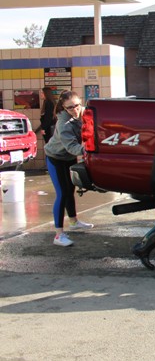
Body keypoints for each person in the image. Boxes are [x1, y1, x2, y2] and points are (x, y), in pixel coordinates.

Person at [44, 90, 94, 247]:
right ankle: (58, 235)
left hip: (68, 158)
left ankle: (73, 222)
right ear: (63, 108)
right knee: (62, 193)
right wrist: (89, 150)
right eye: (70, 107)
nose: (75, 110)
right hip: (55, 158)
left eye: (78, 105)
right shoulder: (63, 123)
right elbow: (72, 146)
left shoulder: (82, 112)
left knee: (70, 190)